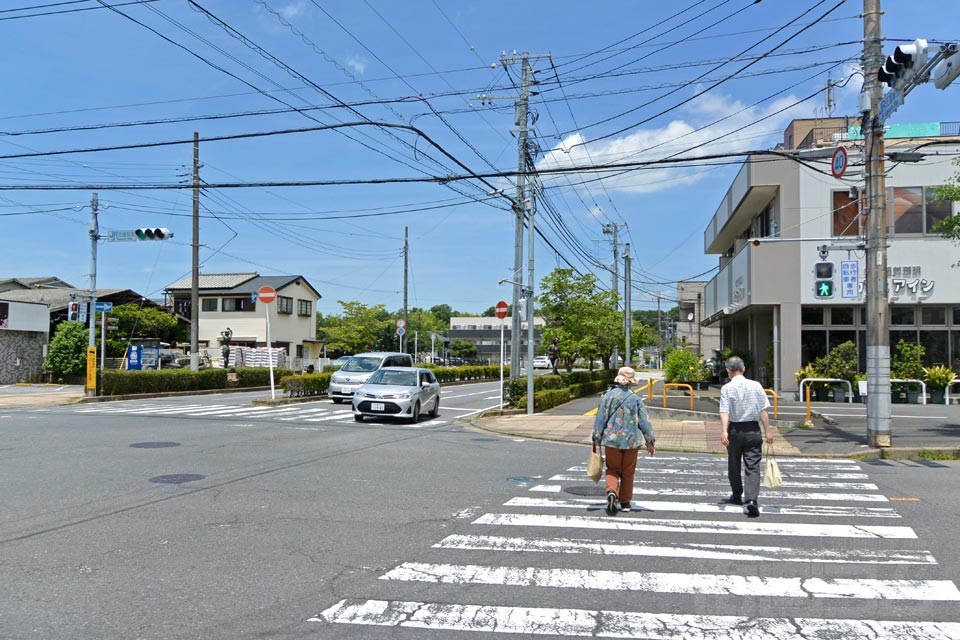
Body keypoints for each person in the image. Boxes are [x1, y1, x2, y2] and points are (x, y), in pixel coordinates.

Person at [592, 366, 656, 516]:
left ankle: (612, 492)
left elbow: (600, 418)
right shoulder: (635, 398)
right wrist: (650, 442)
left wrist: (596, 438)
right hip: (631, 441)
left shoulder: (608, 396)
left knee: (612, 468)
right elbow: (644, 421)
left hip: (611, 440)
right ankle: (625, 502)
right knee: (628, 472)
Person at [719, 356, 774, 518]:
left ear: (729, 370)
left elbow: (724, 411)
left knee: (734, 464)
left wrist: (724, 431)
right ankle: (751, 500)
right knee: (753, 466)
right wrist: (768, 431)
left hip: (735, 430)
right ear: (743, 369)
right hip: (753, 430)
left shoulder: (726, 388)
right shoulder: (756, 385)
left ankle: (737, 495)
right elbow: (763, 410)